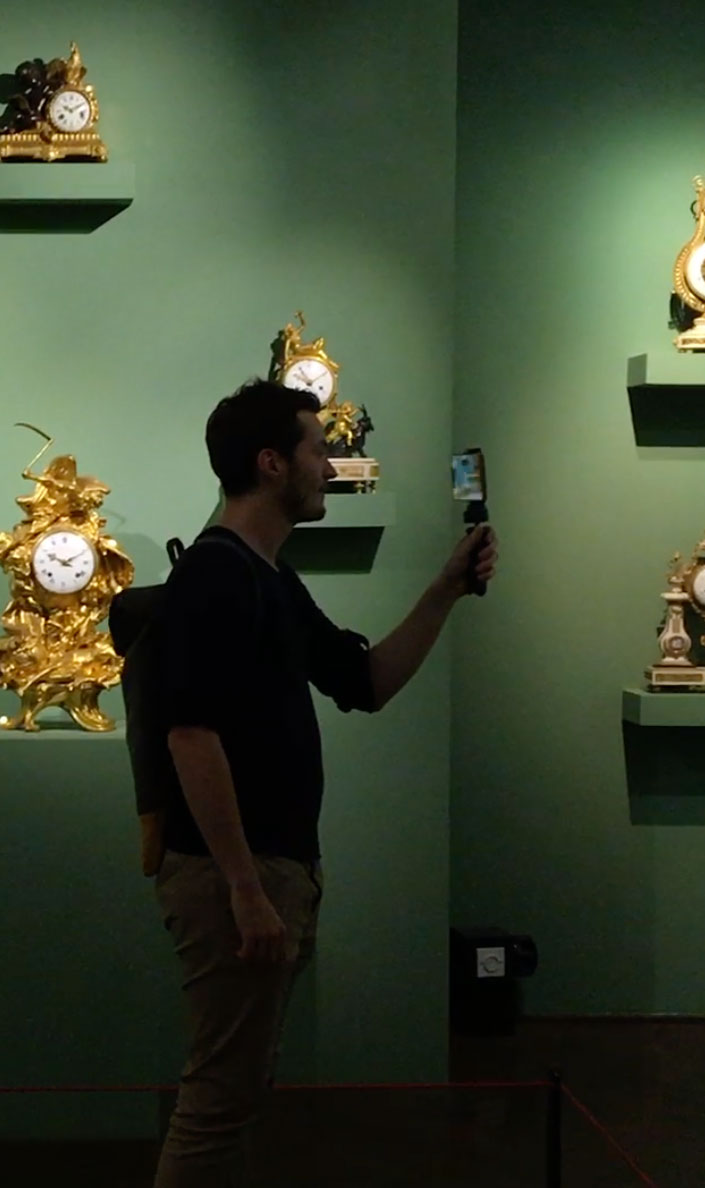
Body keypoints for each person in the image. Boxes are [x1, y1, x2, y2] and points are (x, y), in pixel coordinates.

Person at [135, 378, 498, 1188]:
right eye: (317, 450)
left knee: (234, 1095)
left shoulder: (268, 577)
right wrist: (243, 888)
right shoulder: (216, 577)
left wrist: (444, 591)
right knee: (216, 1101)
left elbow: (365, 681)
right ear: (271, 464)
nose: (331, 467)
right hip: (240, 877)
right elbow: (189, 735)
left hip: (268, 872)